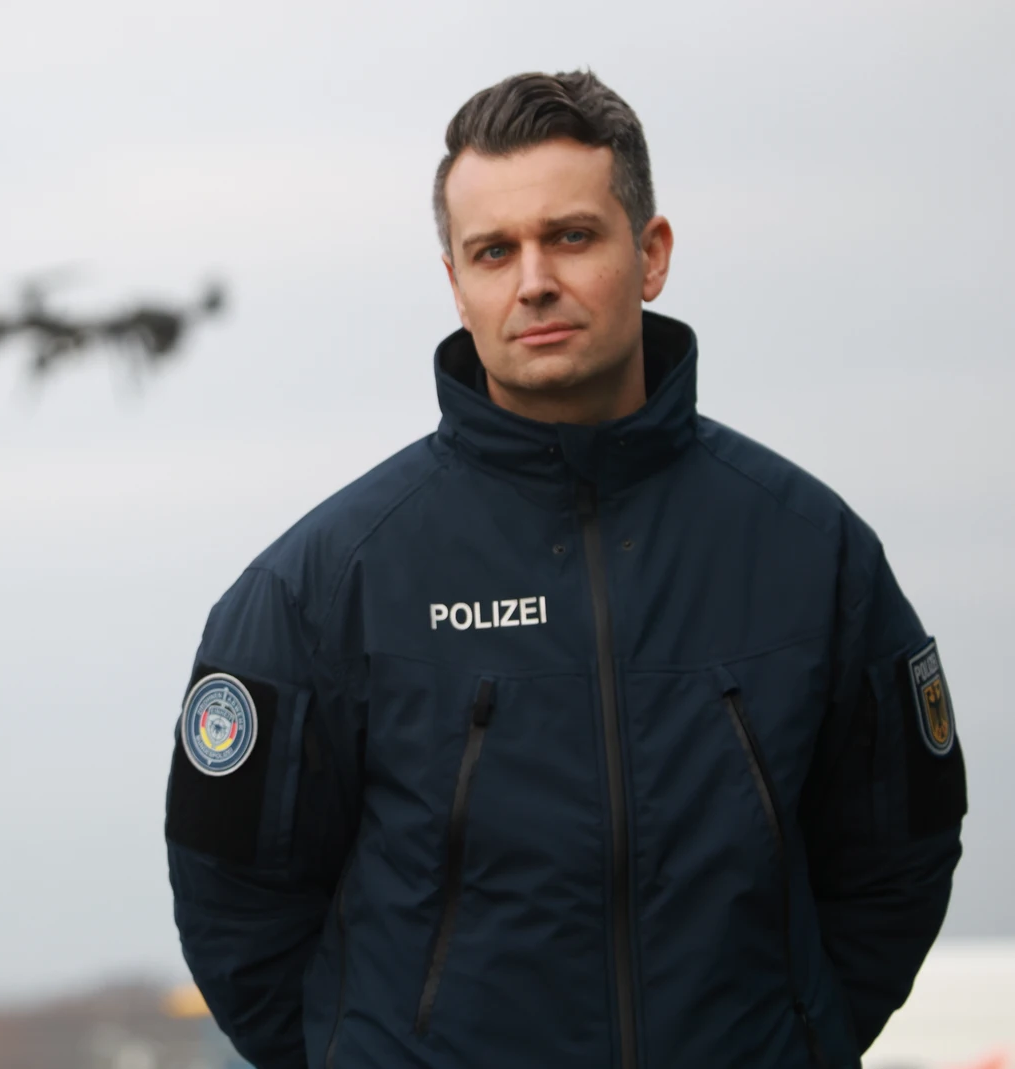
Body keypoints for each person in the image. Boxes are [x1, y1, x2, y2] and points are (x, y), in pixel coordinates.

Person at [165, 71, 965, 1069]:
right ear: (456, 282)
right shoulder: (325, 582)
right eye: (493, 251)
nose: (532, 279)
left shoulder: (814, 552)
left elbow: (898, 859)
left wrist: (797, 1042)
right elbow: (232, 898)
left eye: (571, 236)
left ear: (651, 254)